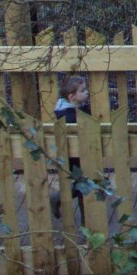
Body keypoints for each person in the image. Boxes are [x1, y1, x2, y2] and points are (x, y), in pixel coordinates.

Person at [50, 74, 91, 223]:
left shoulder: (77, 108)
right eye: (83, 90)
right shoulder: (68, 115)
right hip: (75, 158)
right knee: (82, 185)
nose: (87, 92)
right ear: (72, 97)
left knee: (83, 184)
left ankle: (58, 198)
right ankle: (85, 221)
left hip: (83, 153)